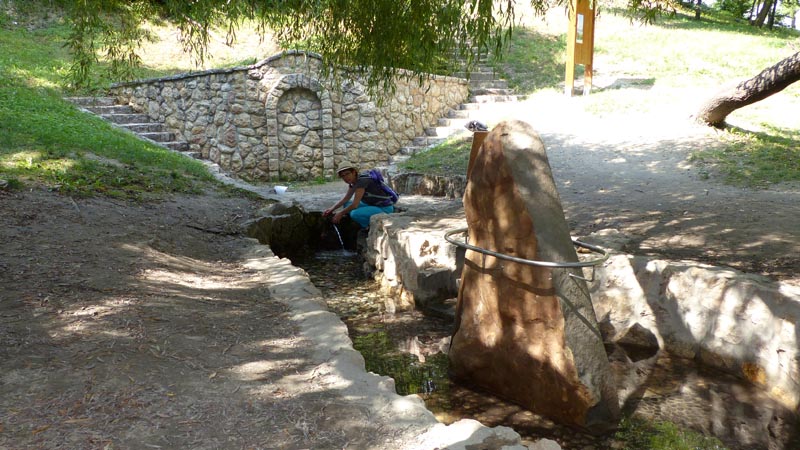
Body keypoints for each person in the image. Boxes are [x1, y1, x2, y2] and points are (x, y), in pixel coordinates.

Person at [323, 161, 395, 228]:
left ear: (354, 172)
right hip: (372, 204)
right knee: (347, 204)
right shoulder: (354, 181)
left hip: (384, 208)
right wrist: (331, 209)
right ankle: (358, 221)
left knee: (354, 214)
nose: (345, 177)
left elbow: (355, 205)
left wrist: (340, 213)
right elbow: (346, 199)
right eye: (343, 176)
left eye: (347, 174)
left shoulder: (362, 181)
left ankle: (368, 227)